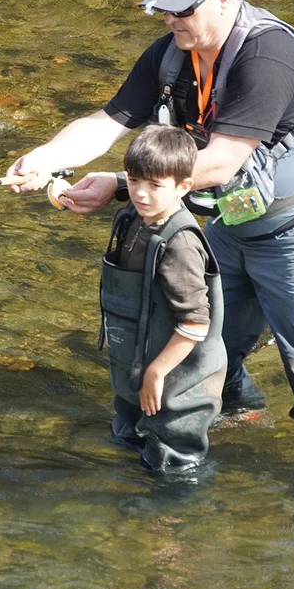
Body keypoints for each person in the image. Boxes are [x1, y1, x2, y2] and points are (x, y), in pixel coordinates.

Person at [7, 0, 294, 433]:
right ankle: (240, 410)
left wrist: (122, 184)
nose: (170, 20)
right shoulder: (172, 56)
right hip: (231, 219)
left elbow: (219, 164)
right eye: (163, 9)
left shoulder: (269, 57)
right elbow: (106, 123)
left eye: (182, 9)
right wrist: (45, 158)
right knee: (209, 342)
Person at [101, 125, 226, 471]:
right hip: (139, 359)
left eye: (155, 186)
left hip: (178, 371)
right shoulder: (137, 217)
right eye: (133, 180)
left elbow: (195, 322)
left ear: (183, 187)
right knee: (126, 441)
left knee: (174, 463)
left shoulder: (180, 245)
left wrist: (156, 372)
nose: (140, 194)